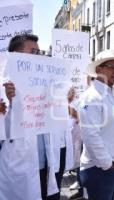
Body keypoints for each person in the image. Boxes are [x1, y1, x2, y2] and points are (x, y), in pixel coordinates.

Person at [0, 34, 57, 200]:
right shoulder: (3, 85)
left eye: (39, 52)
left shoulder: (42, 83)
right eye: (33, 52)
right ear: (16, 55)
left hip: (44, 163)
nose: (38, 57)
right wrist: (8, 105)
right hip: (19, 167)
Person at [78, 51, 114, 200]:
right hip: (100, 169)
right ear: (98, 70)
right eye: (111, 67)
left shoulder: (111, 94)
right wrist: (107, 164)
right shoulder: (91, 97)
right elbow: (90, 135)